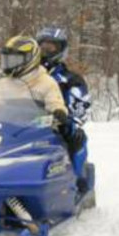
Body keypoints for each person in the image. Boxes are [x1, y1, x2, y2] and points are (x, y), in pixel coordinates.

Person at [36, 26, 91, 189]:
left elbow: (81, 105)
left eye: (51, 47)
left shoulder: (71, 79)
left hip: (58, 124)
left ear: (61, 49)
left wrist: (68, 119)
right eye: (42, 46)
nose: (46, 51)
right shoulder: (28, 76)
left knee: (76, 137)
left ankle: (76, 183)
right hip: (26, 122)